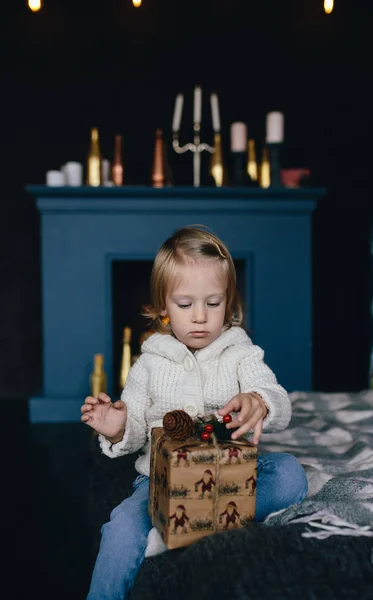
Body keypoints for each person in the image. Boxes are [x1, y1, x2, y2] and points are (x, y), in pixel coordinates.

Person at [81, 225, 308, 599]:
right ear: (162, 310)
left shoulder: (240, 353)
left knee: (290, 476)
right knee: (120, 527)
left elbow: (277, 397)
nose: (200, 316)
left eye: (213, 303)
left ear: (230, 305)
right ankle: (176, 521)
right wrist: (117, 428)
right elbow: (136, 424)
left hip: (229, 477)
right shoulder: (150, 362)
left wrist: (260, 401)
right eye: (185, 305)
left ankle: (179, 527)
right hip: (162, 482)